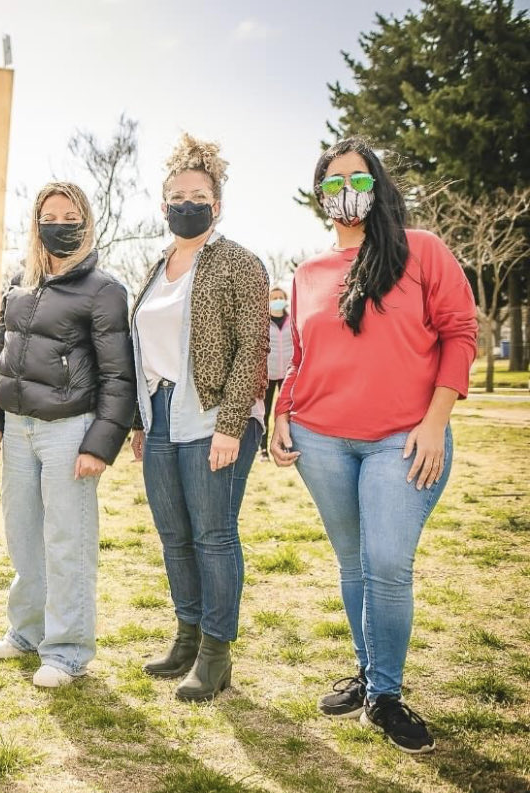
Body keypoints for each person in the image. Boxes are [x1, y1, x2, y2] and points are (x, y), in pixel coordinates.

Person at [271, 137, 476, 754]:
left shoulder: (423, 251)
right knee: (354, 562)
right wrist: (282, 412)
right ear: (319, 197)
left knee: (388, 563)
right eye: (331, 183)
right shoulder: (307, 274)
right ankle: (367, 678)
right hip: (322, 440)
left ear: (377, 185)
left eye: (356, 179)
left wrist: (436, 422)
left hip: (402, 440)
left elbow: (460, 332)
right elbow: (303, 355)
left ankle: (386, 694)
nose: (344, 192)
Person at [0, 182, 137, 688]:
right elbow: (1, 358)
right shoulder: (19, 287)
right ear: (36, 223)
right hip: (20, 432)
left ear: (85, 224)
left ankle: (67, 651)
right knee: (23, 538)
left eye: (71, 216)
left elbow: (118, 376)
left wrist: (100, 444)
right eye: (51, 215)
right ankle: (26, 633)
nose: (60, 224)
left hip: (70, 432)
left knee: (68, 542)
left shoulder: (105, 291)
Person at [130, 134, 268, 702]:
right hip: (160, 416)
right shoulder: (156, 266)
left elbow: (252, 348)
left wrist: (232, 424)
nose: (187, 203)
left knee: (213, 536)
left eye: (198, 194)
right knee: (174, 536)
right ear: (164, 206)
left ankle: (216, 652)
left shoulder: (239, 262)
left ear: (217, 204)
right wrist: (140, 421)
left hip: (213, 414)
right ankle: (186, 635)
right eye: (177, 195)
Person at [262, 286, 294, 460]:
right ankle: (263, 450)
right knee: (265, 412)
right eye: (273, 298)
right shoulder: (263, 321)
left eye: (280, 297)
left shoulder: (292, 320)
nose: (277, 300)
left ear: (285, 299)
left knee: (286, 412)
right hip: (267, 374)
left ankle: (285, 444)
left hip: (288, 374)